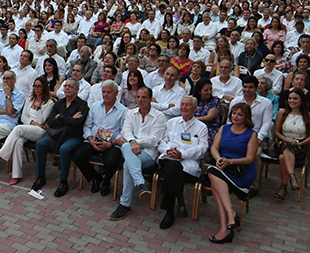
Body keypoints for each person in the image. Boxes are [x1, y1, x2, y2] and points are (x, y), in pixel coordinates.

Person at [110, 87, 166, 220]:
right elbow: (126, 131)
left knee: (127, 161)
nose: (140, 100)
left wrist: (134, 142)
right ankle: (140, 184)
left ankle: (125, 204)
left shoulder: (159, 116)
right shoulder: (131, 113)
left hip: (149, 153)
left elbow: (154, 139)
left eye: (144, 97)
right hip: (130, 148)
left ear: (151, 99)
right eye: (138, 97)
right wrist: (132, 142)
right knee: (126, 148)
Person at [206, 103, 259, 244]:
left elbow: (249, 159)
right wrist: (219, 159)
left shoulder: (251, 134)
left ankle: (230, 216)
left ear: (246, 117)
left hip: (241, 171)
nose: (236, 116)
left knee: (212, 176)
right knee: (214, 179)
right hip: (223, 167)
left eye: (240, 114)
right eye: (234, 113)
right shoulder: (224, 128)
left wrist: (231, 162)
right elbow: (214, 148)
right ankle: (226, 226)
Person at [0, 76, 55, 185]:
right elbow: (23, 117)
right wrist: (34, 123)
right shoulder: (29, 99)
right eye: (35, 86)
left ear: (44, 88)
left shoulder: (49, 103)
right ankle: (16, 175)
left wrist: (38, 108)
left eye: (39, 86)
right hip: (28, 128)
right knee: (18, 142)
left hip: (40, 132)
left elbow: (42, 120)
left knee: (18, 128)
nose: (37, 89)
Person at [31, 78, 89, 197]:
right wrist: (69, 118)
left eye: (70, 86)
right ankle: (40, 177)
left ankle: (63, 182)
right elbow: (50, 121)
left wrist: (60, 117)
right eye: (65, 86)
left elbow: (77, 123)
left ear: (77, 89)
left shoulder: (82, 104)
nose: (67, 88)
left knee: (64, 149)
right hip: (56, 135)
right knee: (40, 144)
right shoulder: (59, 103)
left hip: (72, 137)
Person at [157, 96, 209, 229]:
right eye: (182, 104)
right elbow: (162, 142)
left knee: (173, 170)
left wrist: (182, 154)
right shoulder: (171, 122)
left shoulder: (201, 127)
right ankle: (177, 206)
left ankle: (170, 210)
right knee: (172, 166)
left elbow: (202, 149)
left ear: (195, 108)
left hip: (188, 166)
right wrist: (169, 151)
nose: (184, 107)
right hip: (168, 158)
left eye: (188, 105)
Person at [72, 80, 127, 197]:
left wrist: (111, 143)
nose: (105, 95)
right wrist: (91, 141)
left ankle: (106, 182)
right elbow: (87, 125)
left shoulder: (123, 111)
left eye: (109, 92)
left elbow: (123, 132)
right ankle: (95, 178)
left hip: (111, 144)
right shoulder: (95, 106)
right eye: (103, 92)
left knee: (112, 161)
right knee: (77, 156)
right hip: (93, 140)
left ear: (116, 93)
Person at [273, 89, 310, 199]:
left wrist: (300, 143)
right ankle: (292, 176)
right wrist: (288, 140)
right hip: (284, 142)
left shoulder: (307, 115)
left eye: (295, 98)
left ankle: (283, 187)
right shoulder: (282, 113)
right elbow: (276, 132)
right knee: (286, 146)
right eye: (290, 98)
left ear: (301, 100)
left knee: (282, 158)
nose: (291, 101)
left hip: (300, 145)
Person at [193, 78, 223, 147]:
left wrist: (192, 119)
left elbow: (209, 117)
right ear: (199, 91)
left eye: (210, 89)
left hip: (210, 128)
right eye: (206, 90)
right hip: (194, 127)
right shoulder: (193, 99)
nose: (209, 92)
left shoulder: (215, 100)